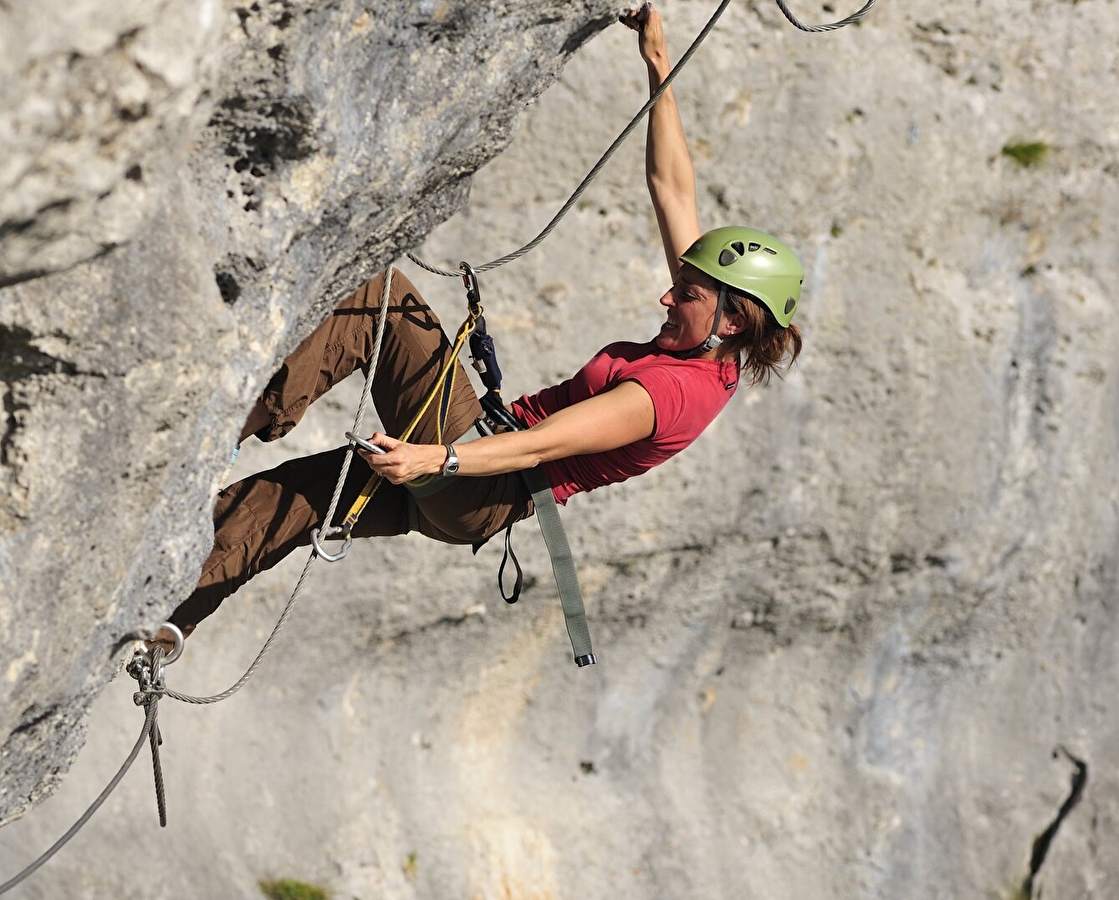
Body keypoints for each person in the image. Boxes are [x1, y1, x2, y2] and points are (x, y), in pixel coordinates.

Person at [155, 4, 804, 650]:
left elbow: (540, 447)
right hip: (474, 482)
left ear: (733, 318)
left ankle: (218, 430)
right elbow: (672, 189)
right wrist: (658, 60)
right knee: (300, 494)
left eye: (685, 293)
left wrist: (433, 458)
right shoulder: (707, 336)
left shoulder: (671, 394)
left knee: (377, 297)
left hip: (484, 477)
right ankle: (164, 614)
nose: (668, 295)